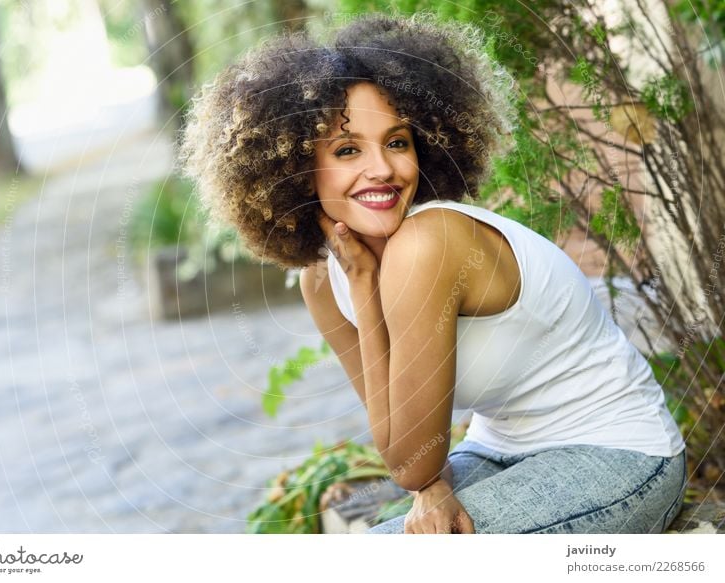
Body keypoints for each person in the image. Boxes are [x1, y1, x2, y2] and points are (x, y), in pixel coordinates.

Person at [180, 12, 686, 534]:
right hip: (496, 450)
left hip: (618, 454)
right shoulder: (321, 280)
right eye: (348, 149)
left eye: (398, 142)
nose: (383, 168)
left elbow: (409, 461)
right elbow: (406, 443)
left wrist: (365, 291)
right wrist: (433, 487)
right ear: (297, 167)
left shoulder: (431, 242)